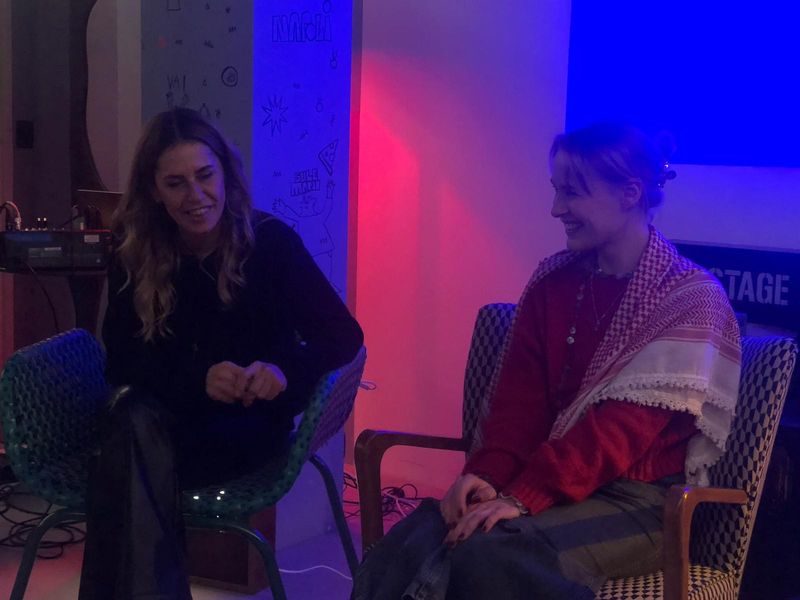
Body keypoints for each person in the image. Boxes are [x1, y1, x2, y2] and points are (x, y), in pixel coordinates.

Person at [352, 123, 741, 600]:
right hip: (549, 476)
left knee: (492, 554)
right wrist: (487, 476)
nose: (557, 209)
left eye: (572, 193)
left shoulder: (688, 300)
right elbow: (519, 409)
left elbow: (615, 435)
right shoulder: (553, 282)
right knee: (414, 538)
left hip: (637, 503)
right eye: (556, 190)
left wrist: (524, 496)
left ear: (630, 193)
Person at [78, 107, 363, 599]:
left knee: (126, 454)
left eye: (205, 176)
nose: (196, 196)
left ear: (225, 174)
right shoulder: (135, 249)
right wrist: (199, 379)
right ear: (154, 191)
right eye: (176, 183)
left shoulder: (270, 243)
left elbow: (343, 336)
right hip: (163, 419)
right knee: (134, 431)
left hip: (243, 429)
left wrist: (282, 371)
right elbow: (121, 357)